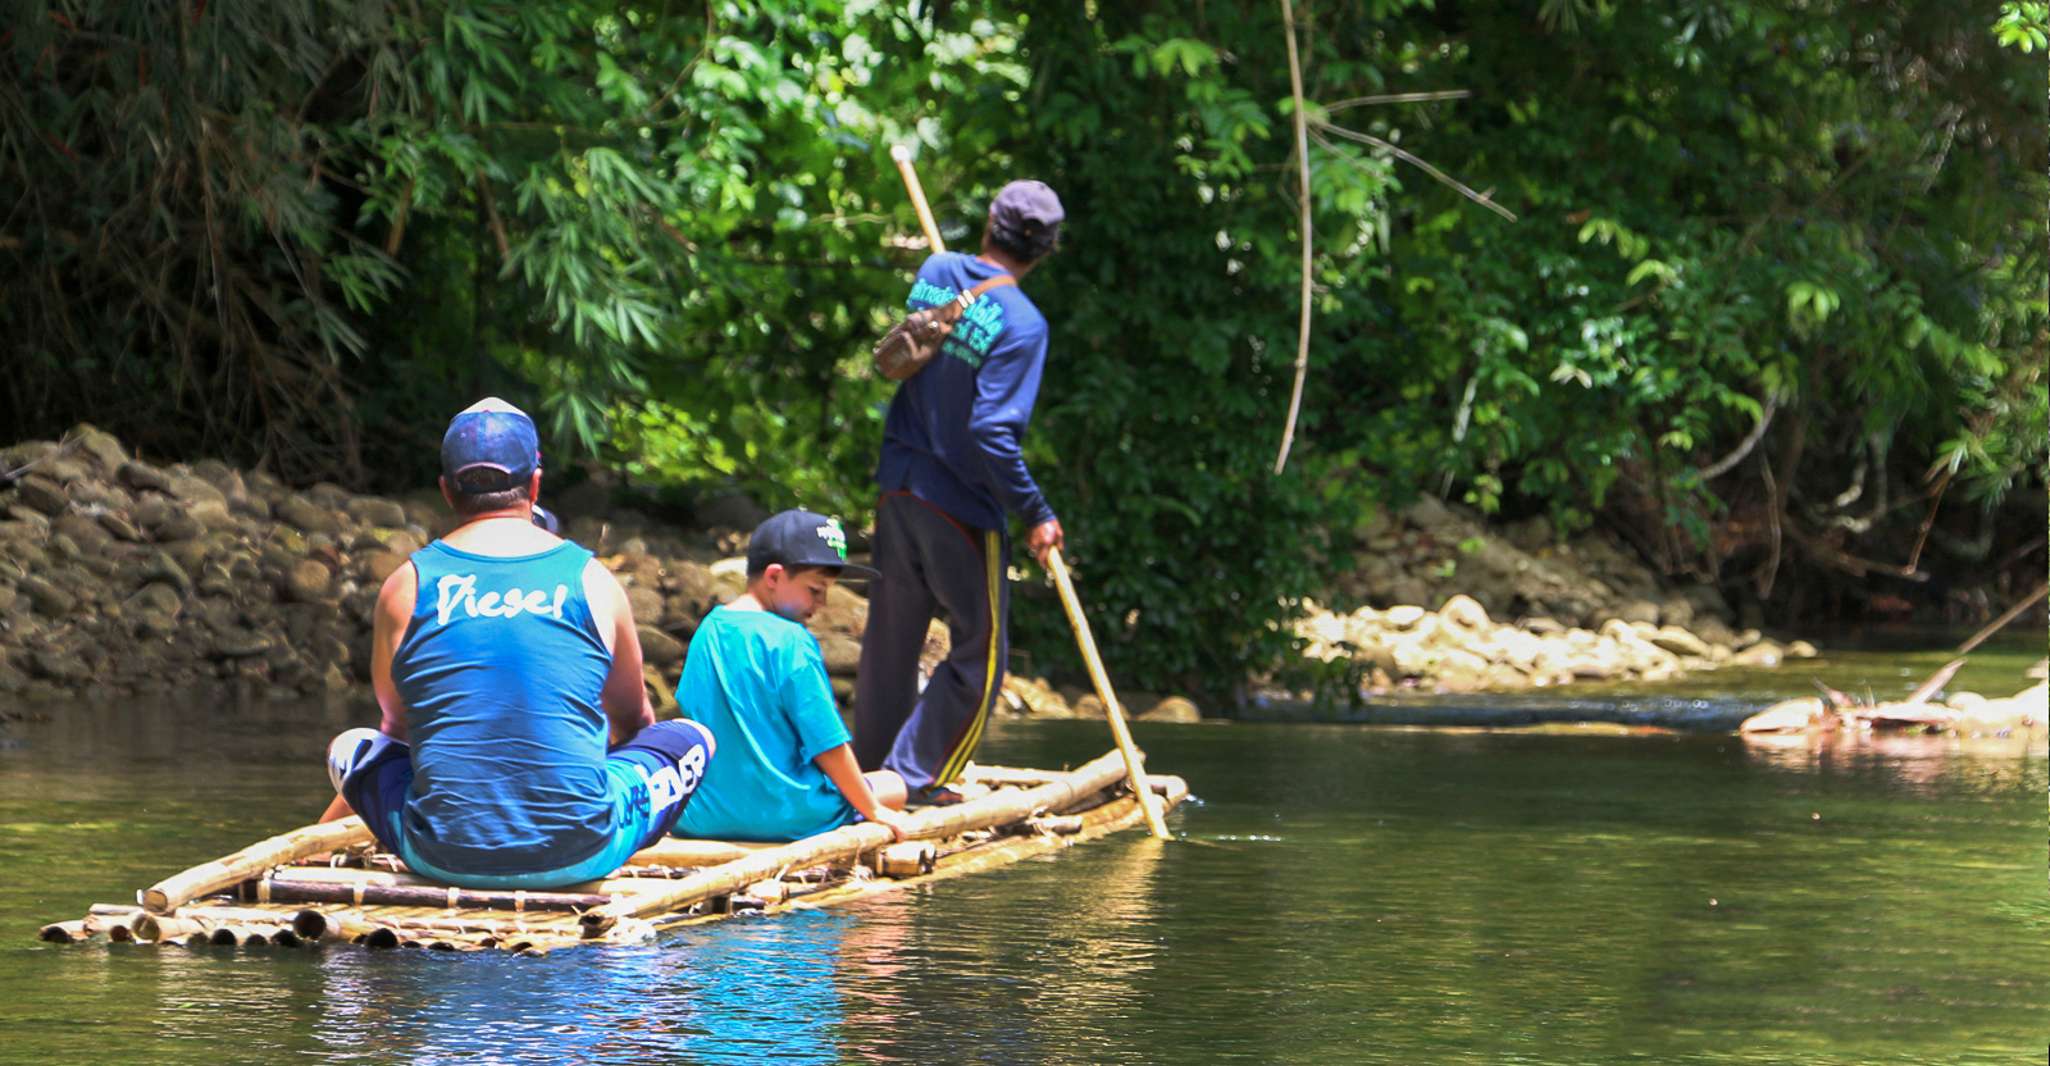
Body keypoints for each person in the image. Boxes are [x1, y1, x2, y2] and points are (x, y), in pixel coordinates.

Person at [318, 397, 715, 889]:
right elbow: (635, 723)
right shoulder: (592, 580)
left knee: (350, 745)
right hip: (582, 851)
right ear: (534, 484)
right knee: (693, 739)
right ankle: (589, 823)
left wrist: (323, 834)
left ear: (446, 491)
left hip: (440, 856)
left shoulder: (405, 586)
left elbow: (397, 732)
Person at [855, 179, 1067, 801]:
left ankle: (871, 774)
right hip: (958, 504)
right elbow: (992, 432)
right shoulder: (1025, 324)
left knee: (891, 641)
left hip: (898, 488)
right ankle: (915, 778)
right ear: (1046, 250)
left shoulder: (939, 269)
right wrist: (1035, 511)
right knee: (983, 650)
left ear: (989, 225)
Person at [673, 509, 913, 843]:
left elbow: (689, 710)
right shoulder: (792, 641)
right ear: (773, 577)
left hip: (703, 816)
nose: (823, 603)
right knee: (895, 785)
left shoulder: (708, 630)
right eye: (815, 590)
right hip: (787, 817)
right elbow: (827, 744)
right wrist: (873, 809)